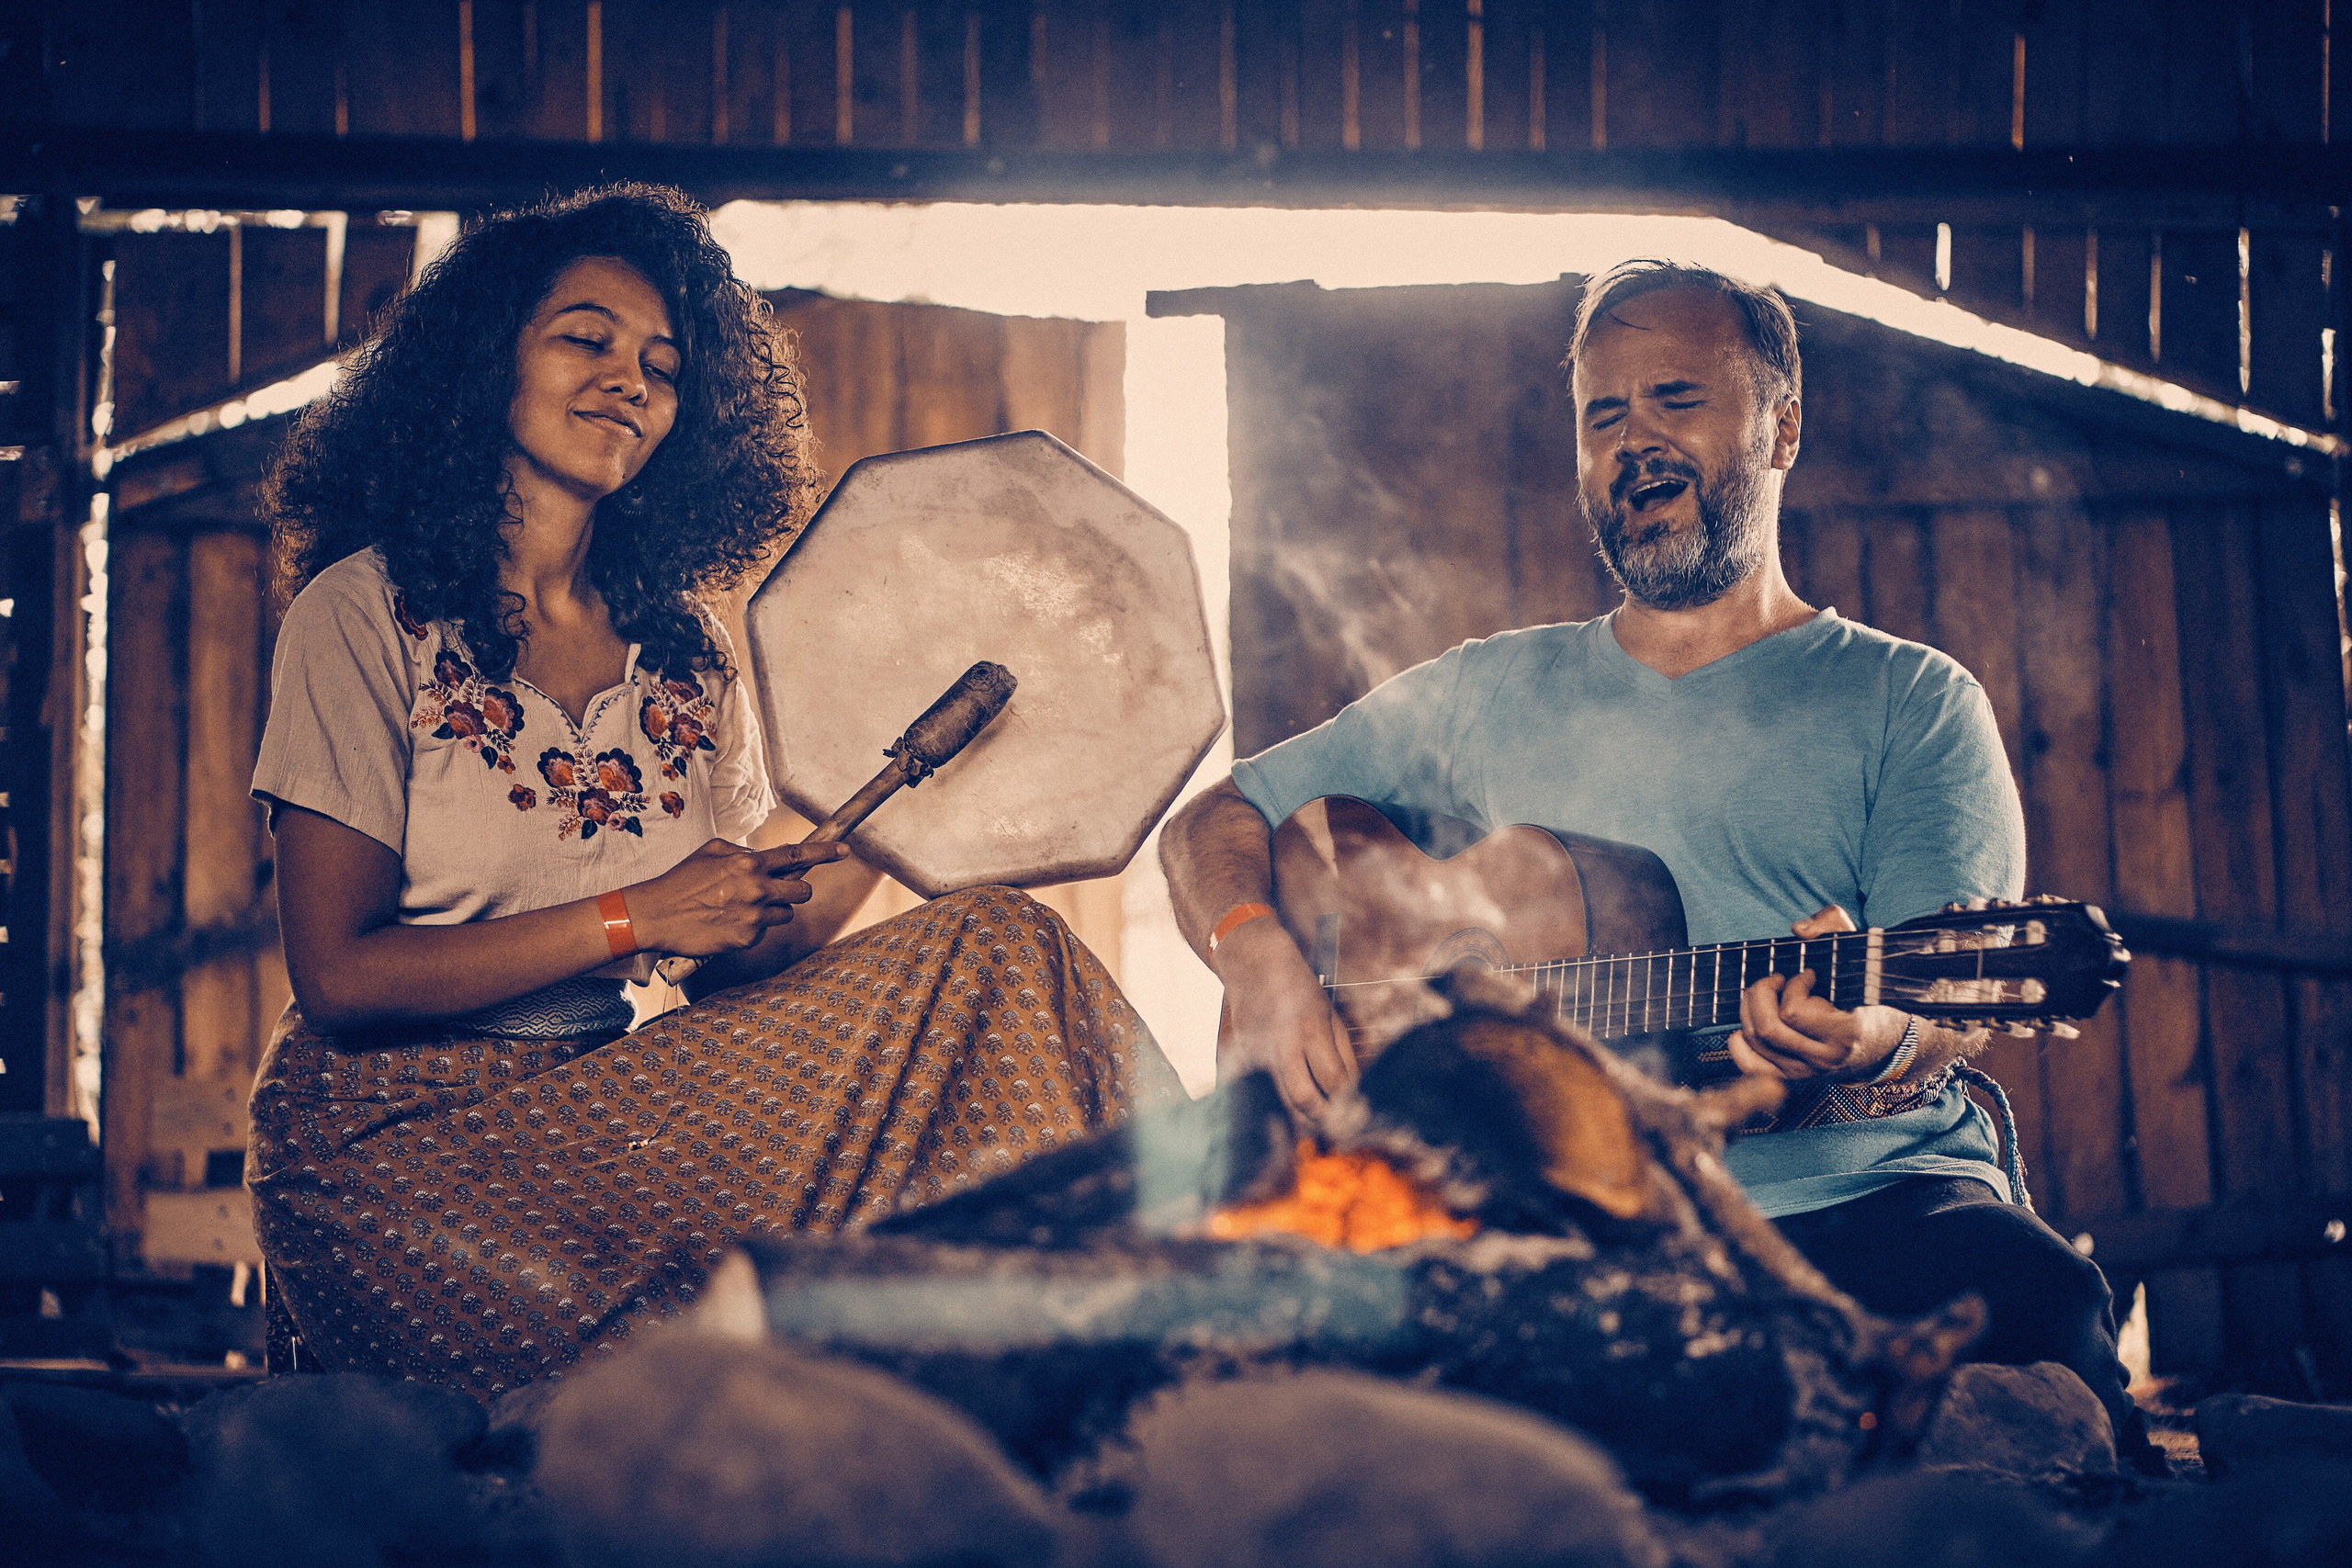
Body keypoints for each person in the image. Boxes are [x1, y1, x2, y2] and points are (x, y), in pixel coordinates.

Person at [1159, 258, 2160, 1467]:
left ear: (1782, 427)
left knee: (2030, 1309)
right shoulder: (1484, 690)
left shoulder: (1909, 700)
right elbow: (1217, 818)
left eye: (1677, 399)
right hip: (1553, 1225)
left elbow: (1936, 1003)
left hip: (1857, 1206)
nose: (1633, 442)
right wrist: (1256, 954)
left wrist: (1874, 1034)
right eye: (1603, 414)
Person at [247, 185, 1180, 1398]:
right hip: (393, 1164)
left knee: (999, 944)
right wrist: (639, 916)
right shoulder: (367, 614)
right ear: (488, 362)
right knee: (990, 953)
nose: (629, 381)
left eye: (663, 367)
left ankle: (1135, 1351)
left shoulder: (684, 657)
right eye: (584, 337)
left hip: (604, 1122)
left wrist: (912, 810)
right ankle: (1202, 1331)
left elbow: (730, 956)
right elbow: (342, 975)